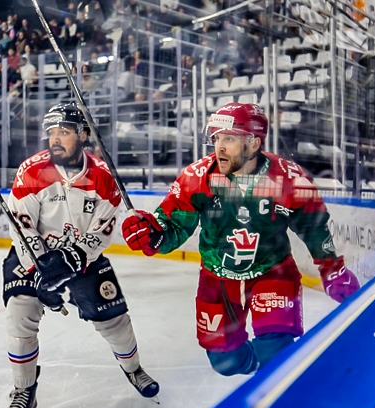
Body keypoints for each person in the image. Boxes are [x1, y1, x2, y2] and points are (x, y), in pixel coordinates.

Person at [121, 103, 360, 377]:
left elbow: (313, 226)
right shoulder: (196, 178)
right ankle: (257, 368)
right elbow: (173, 224)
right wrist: (152, 234)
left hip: (273, 270)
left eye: (229, 139)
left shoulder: (290, 179)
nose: (219, 147)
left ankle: (271, 390)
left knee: (275, 351)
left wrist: (331, 268)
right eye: (216, 138)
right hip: (217, 275)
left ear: (254, 143)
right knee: (227, 363)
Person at [0, 103, 159, 408]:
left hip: (81, 258)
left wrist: (73, 257)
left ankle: (134, 369)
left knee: (115, 321)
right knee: (20, 312)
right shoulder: (32, 171)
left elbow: (103, 230)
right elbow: (21, 226)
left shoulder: (103, 176)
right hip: (35, 255)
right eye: (52, 133)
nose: (56, 139)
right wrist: (42, 267)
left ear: (82, 135)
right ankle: (24, 391)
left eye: (65, 132)